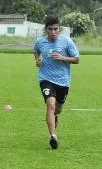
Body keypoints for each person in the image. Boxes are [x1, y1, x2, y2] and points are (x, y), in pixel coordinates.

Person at [33, 15, 80, 150]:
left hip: (63, 81)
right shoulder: (40, 42)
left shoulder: (67, 42)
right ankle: (53, 137)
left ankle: (55, 117)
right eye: (50, 29)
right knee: (50, 105)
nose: (53, 32)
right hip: (46, 79)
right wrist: (38, 60)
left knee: (57, 109)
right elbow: (36, 52)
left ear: (59, 29)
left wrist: (62, 57)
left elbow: (77, 59)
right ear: (45, 30)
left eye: (55, 29)